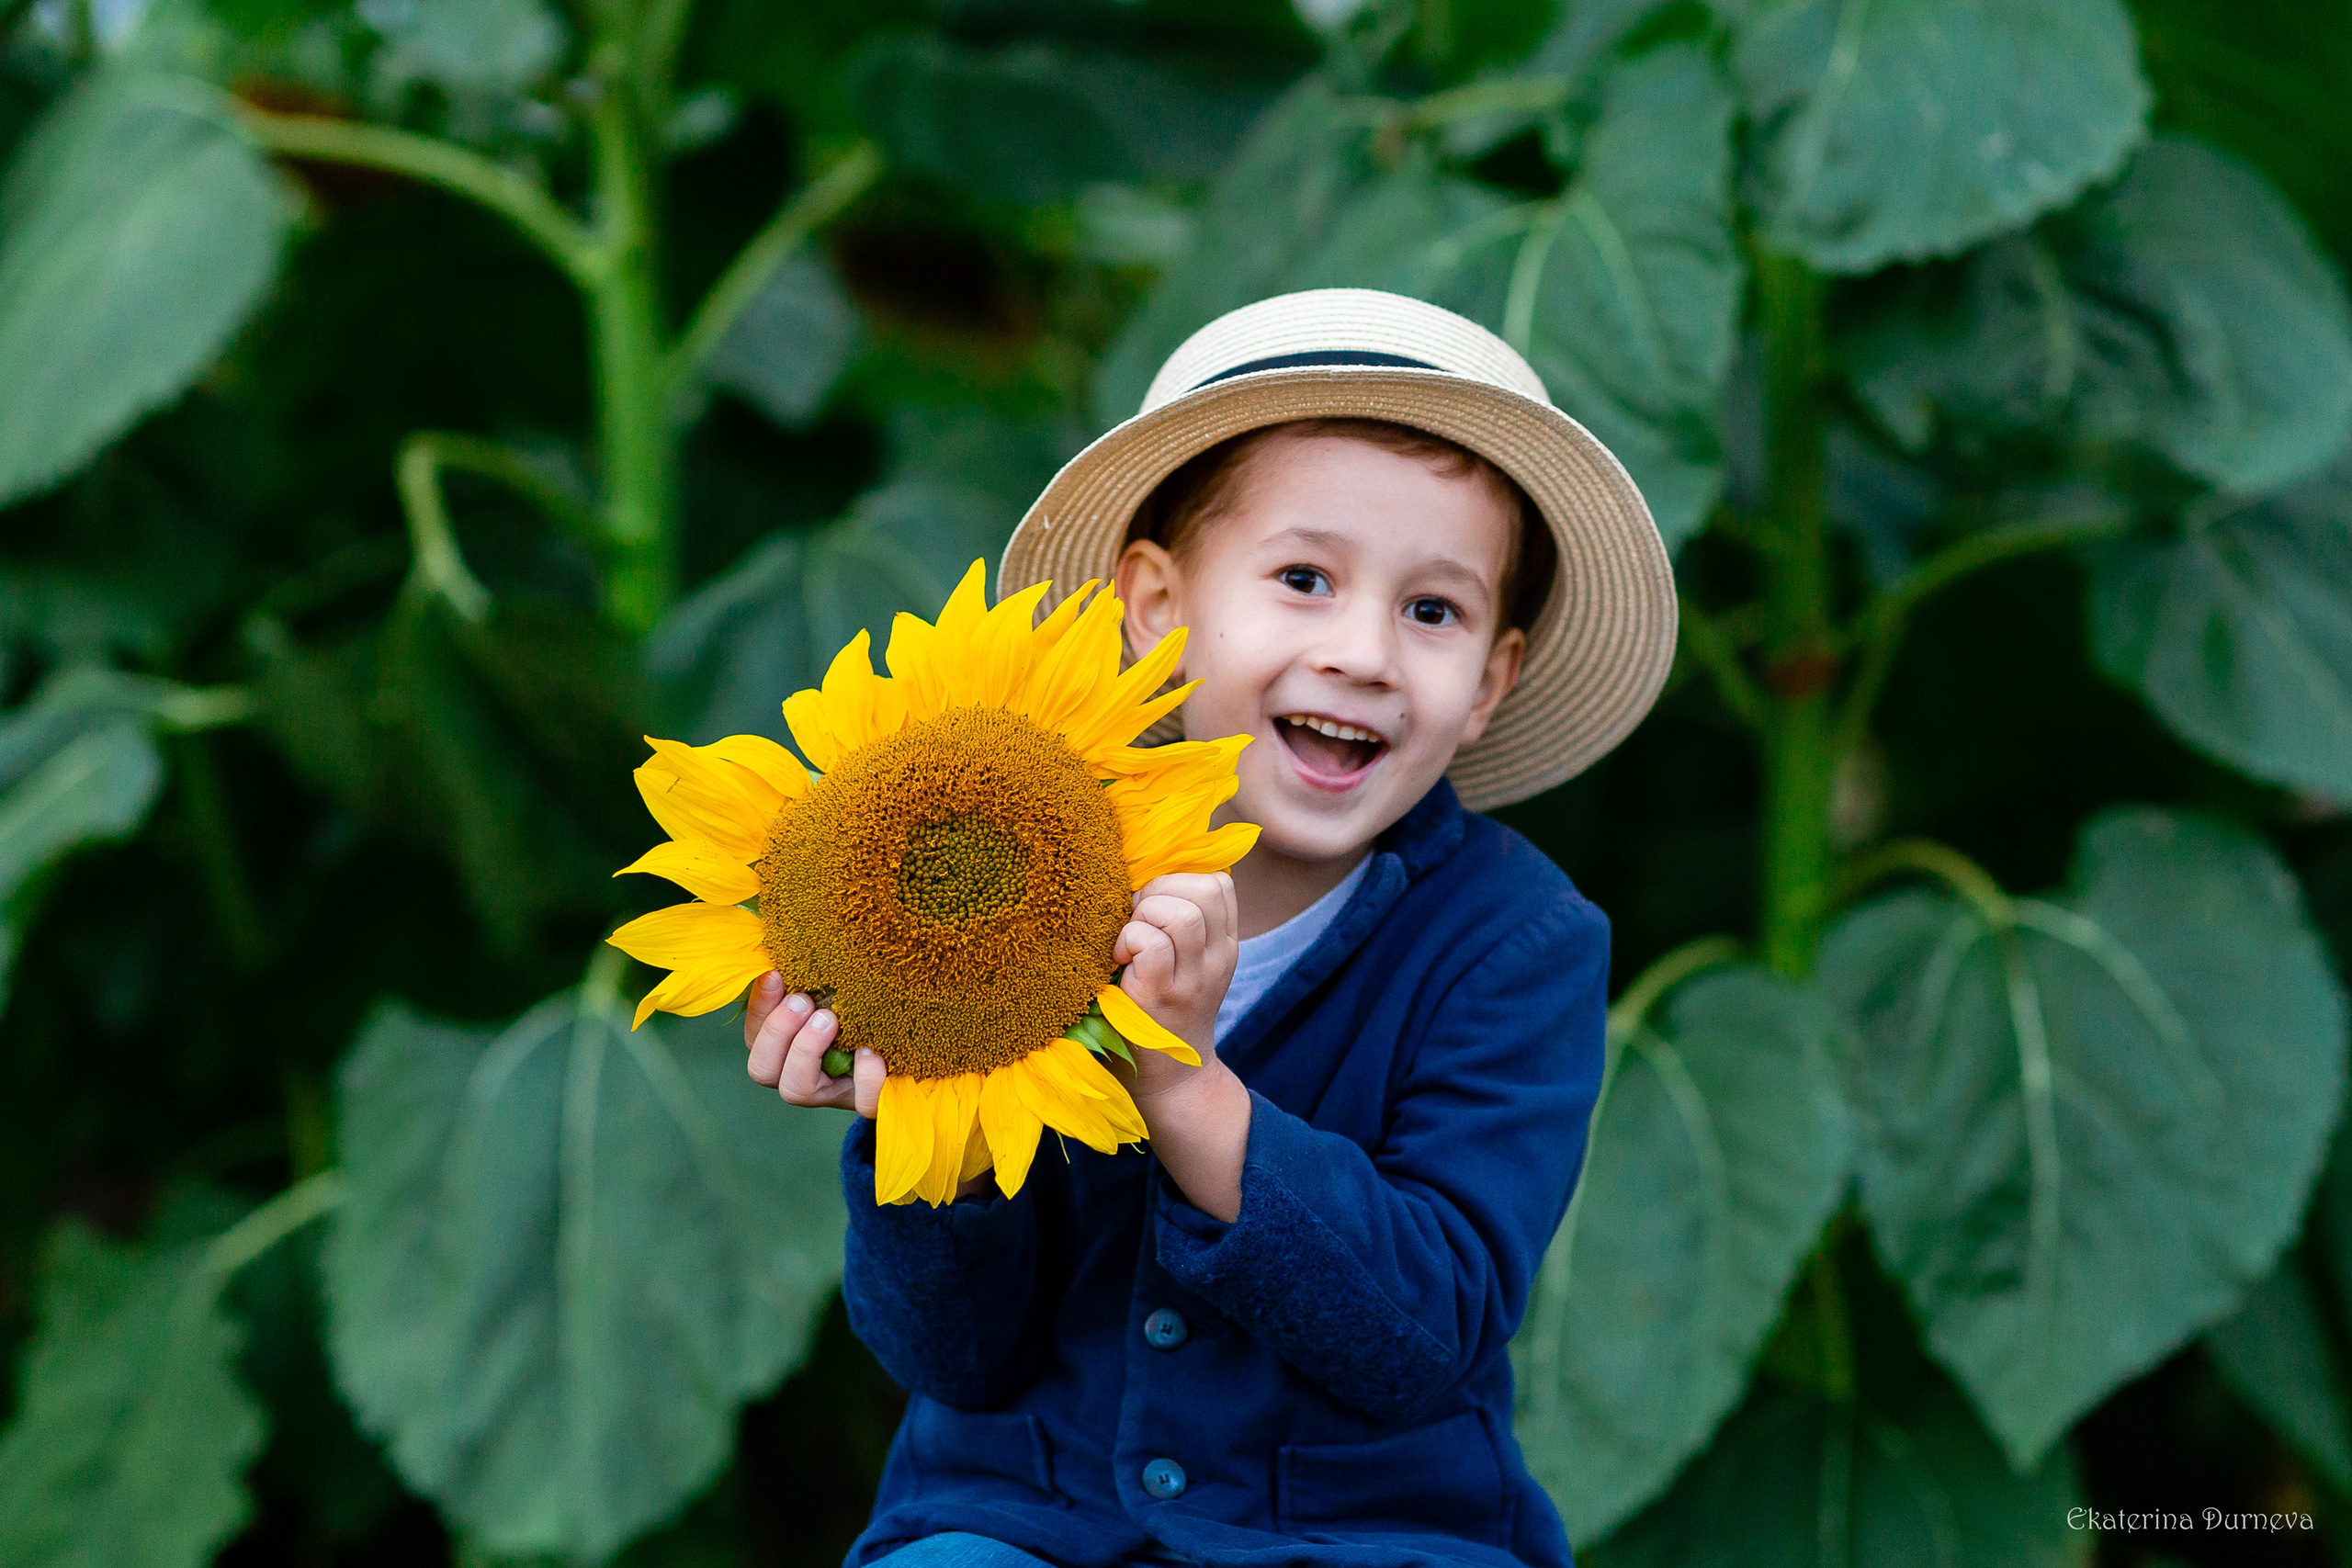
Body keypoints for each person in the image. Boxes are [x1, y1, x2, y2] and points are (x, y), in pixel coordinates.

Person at [742, 289, 1676, 1568]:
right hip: (1025, 1520)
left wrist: (1183, 1080)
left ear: (1490, 687)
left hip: (1367, 1535)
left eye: (1434, 612)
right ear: (1157, 607)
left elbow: (1423, 1334)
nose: (1363, 652)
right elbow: (950, 1355)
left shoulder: (1515, 946)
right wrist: (924, 1125)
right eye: (1304, 579)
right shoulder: (1005, 863)